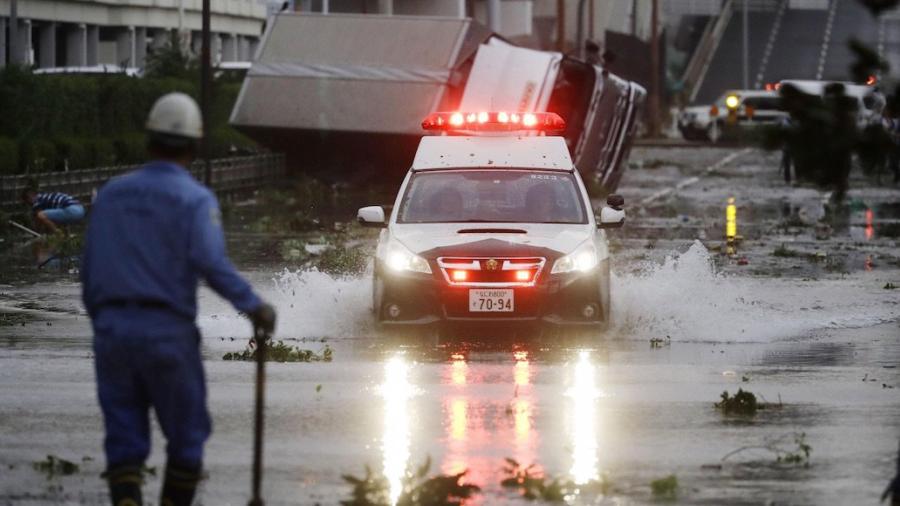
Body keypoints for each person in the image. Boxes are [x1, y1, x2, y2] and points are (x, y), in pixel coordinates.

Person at [81, 92, 277, 506]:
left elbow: (90, 269)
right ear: (194, 145)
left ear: (148, 138)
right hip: (167, 334)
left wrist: (105, 320)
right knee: (187, 438)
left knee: (124, 440)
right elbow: (211, 264)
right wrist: (254, 307)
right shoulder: (194, 200)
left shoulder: (111, 195)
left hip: (113, 333)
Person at [21, 188, 85, 233]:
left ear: (29, 198)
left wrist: (36, 231)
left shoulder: (37, 202)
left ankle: (58, 234)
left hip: (72, 210)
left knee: (40, 215)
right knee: (55, 218)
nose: (28, 204)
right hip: (81, 209)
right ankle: (65, 235)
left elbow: (39, 219)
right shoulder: (46, 197)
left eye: (26, 202)